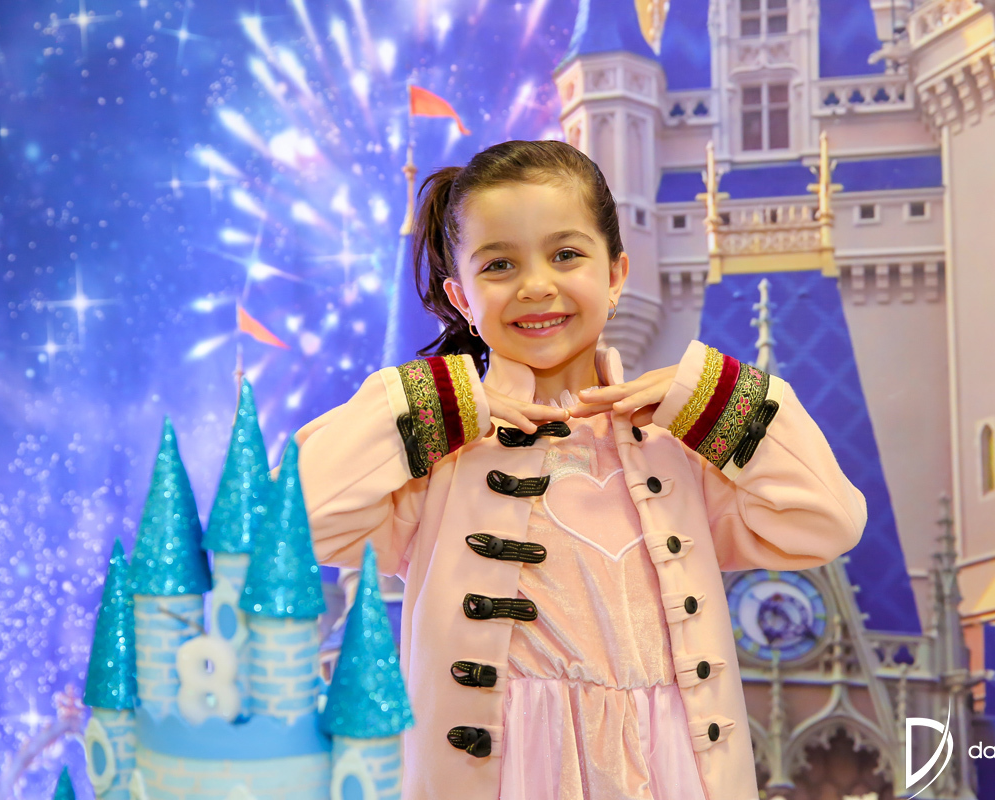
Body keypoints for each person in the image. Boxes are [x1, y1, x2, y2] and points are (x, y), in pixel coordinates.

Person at [293, 139, 866, 800]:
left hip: (672, 772)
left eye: (566, 254)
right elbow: (295, 523)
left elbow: (827, 520)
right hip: (502, 777)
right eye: (499, 264)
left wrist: (709, 398)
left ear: (616, 274)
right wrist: (439, 403)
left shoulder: (678, 448)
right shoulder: (440, 457)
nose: (537, 285)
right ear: (462, 298)